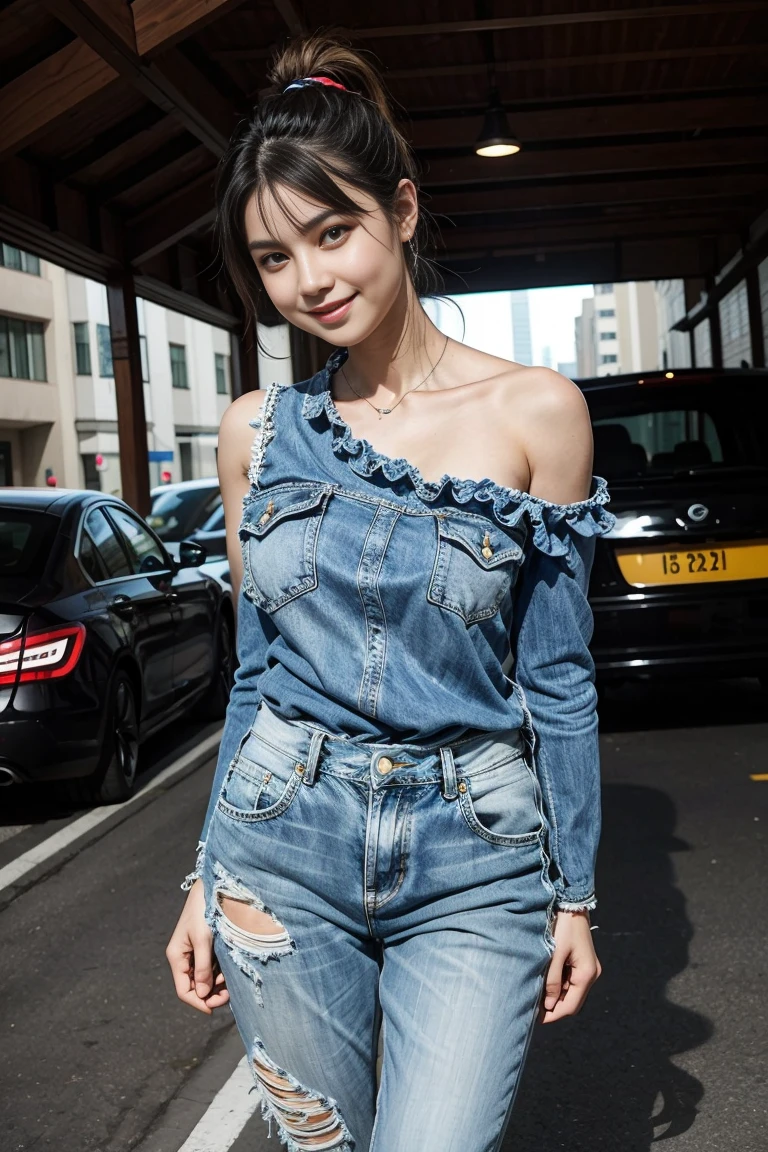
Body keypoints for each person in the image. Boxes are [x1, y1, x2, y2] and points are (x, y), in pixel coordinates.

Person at [166, 31, 615, 1152]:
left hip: (475, 856)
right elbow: (255, 674)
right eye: (273, 258)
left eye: (333, 232)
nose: (310, 280)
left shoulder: (536, 413)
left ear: (402, 212)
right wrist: (203, 875)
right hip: (282, 847)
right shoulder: (256, 433)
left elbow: (556, 680)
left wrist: (577, 894)